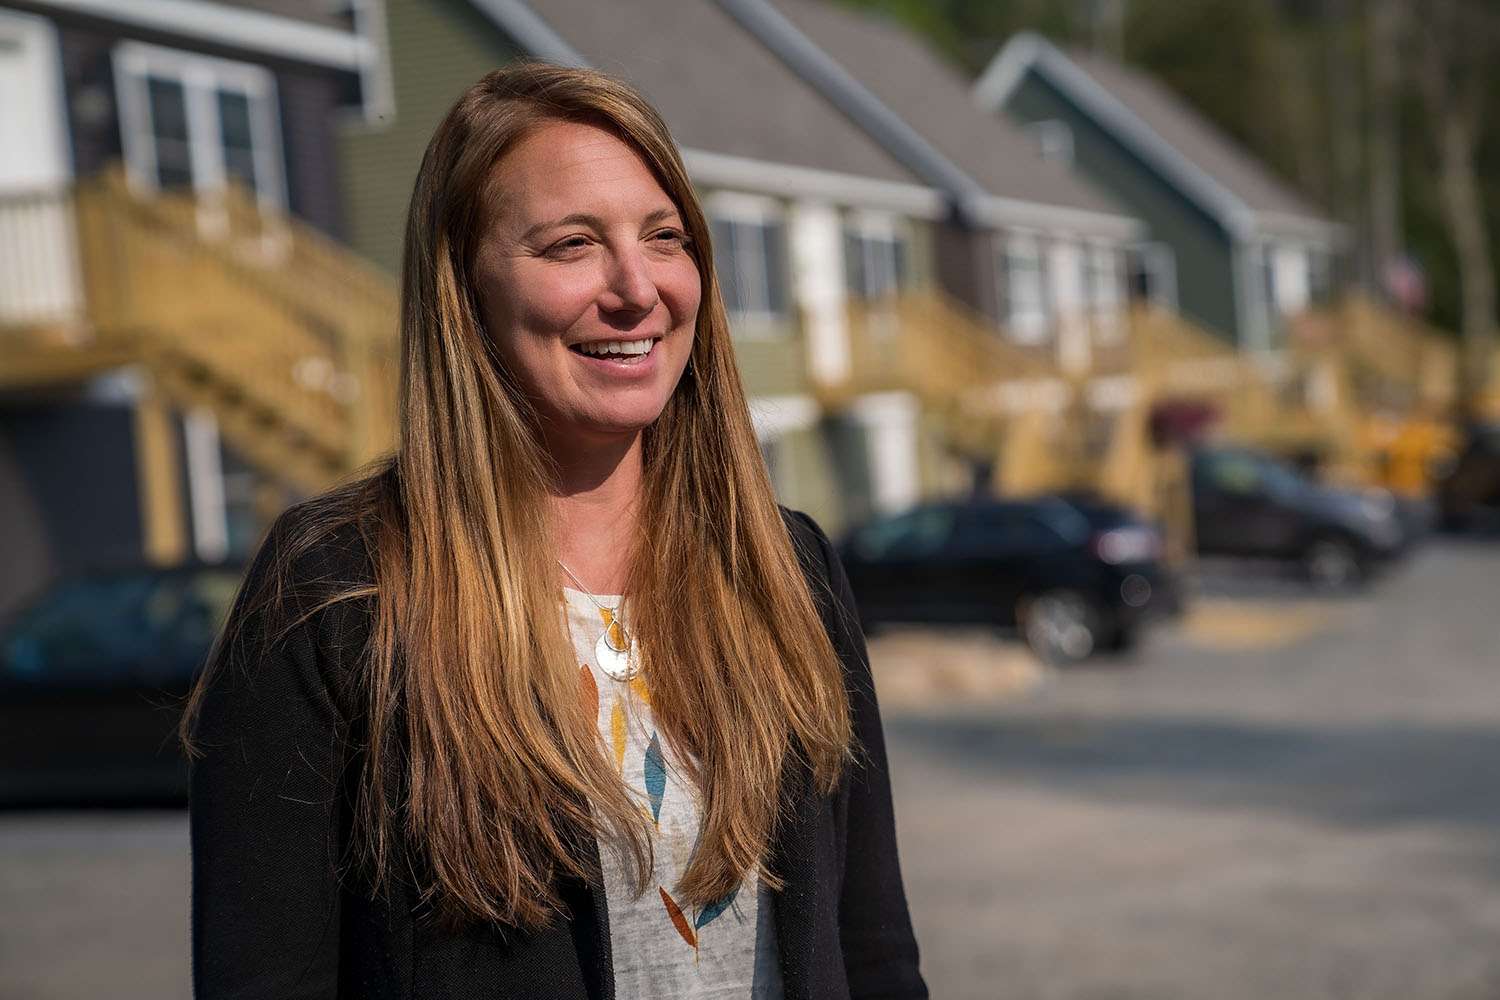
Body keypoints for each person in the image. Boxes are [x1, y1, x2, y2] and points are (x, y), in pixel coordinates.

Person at [183, 62, 926, 1000]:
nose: (636, 289)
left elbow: (875, 951)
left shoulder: (785, 567)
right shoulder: (337, 591)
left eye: (664, 237)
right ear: (466, 288)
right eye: (571, 245)